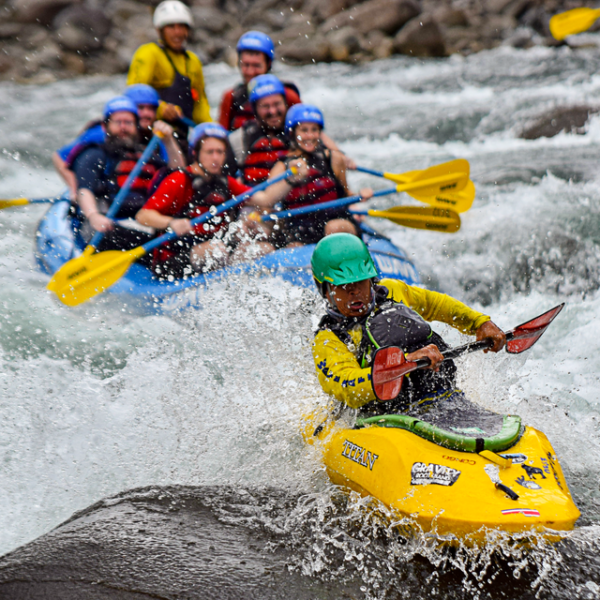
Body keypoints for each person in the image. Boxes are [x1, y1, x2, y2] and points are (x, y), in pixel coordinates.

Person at [311, 234, 506, 416]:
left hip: (442, 400)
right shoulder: (329, 338)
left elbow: (436, 304)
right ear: (325, 290)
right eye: (343, 286)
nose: (354, 292)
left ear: (371, 278)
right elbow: (346, 385)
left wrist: (479, 323)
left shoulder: (392, 291)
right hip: (382, 417)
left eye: (360, 282)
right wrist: (404, 362)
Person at [136, 123, 273, 279]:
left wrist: (289, 177)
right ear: (196, 153)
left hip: (214, 252)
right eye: (210, 152)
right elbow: (143, 216)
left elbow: (266, 200)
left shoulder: (226, 182)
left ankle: (238, 286)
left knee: (262, 248)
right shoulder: (179, 179)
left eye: (220, 152)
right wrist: (171, 223)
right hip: (173, 260)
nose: (215, 158)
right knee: (217, 251)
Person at [252, 104, 373, 247]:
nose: (309, 136)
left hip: (334, 220)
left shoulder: (334, 159)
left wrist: (360, 195)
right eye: (304, 130)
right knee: (293, 247)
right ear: (292, 133)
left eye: (314, 130)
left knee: (333, 228)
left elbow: (345, 194)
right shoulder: (282, 167)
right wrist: (290, 178)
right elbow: (268, 201)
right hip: (300, 228)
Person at [71, 96, 178, 253]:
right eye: (117, 122)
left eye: (128, 123)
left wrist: (169, 140)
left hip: (140, 223)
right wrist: (93, 215)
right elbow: (84, 189)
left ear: (136, 126)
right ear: (105, 126)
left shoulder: (147, 155)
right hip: (103, 223)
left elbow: (178, 174)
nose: (123, 127)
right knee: (116, 235)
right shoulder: (94, 154)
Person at [53, 83, 184, 198]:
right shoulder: (104, 133)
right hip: (103, 187)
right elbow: (59, 157)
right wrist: (74, 188)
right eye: (141, 108)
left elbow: (177, 171)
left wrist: (169, 140)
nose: (147, 114)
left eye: (151, 108)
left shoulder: (157, 136)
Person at [229, 75, 349, 186]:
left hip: (292, 200)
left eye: (277, 104)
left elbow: (329, 157)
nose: (273, 111)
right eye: (265, 106)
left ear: (285, 104)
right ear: (255, 110)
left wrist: (342, 159)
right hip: (257, 201)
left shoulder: (300, 132)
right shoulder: (239, 138)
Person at [127, 0, 211, 138]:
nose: (177, 32)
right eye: (171, 27)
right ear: (160, 30)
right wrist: (161, 109)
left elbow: (200, 105)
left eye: (182, 26)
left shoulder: (193, 61)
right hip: (152, 133)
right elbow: (134, 94)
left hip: (181, 134)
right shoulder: (148, 54)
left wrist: (209, 128)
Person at [219, 31, 301, 132]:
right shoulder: (230, 98)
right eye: (246, 65)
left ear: (268, 64)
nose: (250, 72)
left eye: (256, 65)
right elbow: (221, 136)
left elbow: (307, 129)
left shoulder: (288, 95)